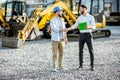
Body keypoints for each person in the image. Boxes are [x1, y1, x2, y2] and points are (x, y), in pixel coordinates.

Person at [66, 5, 96, 71]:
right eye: (79, 9)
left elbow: (94, 27)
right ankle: (81, 66)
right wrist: (68, 29)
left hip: (88, 35)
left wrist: (88, 27)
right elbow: (75, 26)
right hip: (81, 35)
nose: (79, 10)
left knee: (91, 51)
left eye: (81, 9)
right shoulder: (79, 18)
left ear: (85, 9)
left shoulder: (91, 17)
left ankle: (92, 66)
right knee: (80, 51)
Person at [50, 6, 67, 71]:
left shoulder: (62, 20)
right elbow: (55, 29)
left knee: (61, 53)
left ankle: (60, 66)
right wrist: (63, 29)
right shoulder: (52, 21)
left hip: (62, 39)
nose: (62, 13)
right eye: (61, 11)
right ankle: (54, 67)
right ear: (57, 12)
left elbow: (64, 30)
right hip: (55, 40)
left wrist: (65, 38)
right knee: (55, 54)